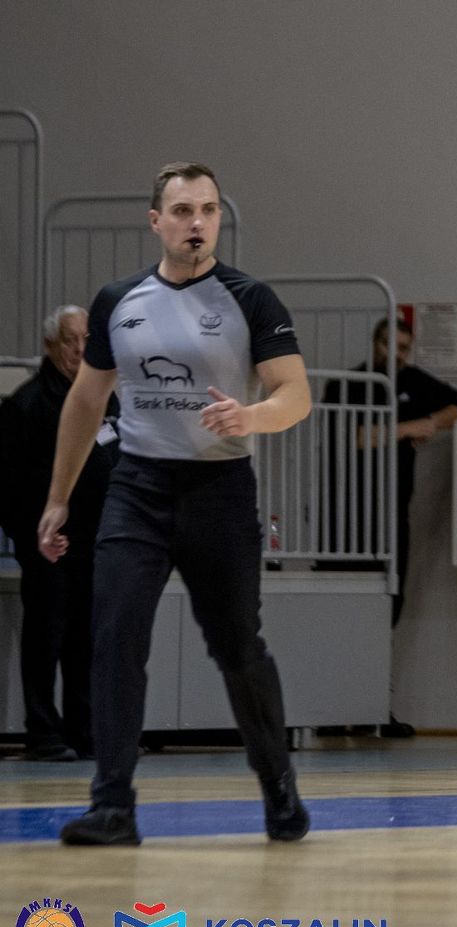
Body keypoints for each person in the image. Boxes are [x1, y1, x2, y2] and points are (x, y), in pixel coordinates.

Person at [38, 161, 312, 846]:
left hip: (219, 490)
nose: (198, 223)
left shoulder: (250, 299)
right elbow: (86, 401)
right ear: (156, 221)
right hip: (138, 488)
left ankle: (279, 785)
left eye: (209, 210)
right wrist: (58, 498)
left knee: (236, 646)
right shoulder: (118, 301)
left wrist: (251, 416)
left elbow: (295, 395)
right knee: (114, 637)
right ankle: (113, 806)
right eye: (184, 211)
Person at [0, 305, 117, 761]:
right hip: (47, 545)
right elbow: (9, 484)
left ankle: (84, 730)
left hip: (96, 540)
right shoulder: (26, 404)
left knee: (86, 637)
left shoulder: (106, 398)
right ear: (52, 346)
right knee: (46, 637)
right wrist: (35, 534)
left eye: (87, 339)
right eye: (71, 340)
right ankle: (43, 732)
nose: (81, 349)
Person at [321, 316, 457, 628]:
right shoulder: (346, 384)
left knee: (390, 594)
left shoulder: (414, 381)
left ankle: (381, 652)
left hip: (392, 508)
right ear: (375, 343)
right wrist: (407, 428)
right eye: (388, 344)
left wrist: (430, 422)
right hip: (345, 509)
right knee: (341, 594)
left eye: (403, 348)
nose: (395, 354)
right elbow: (355, 438)